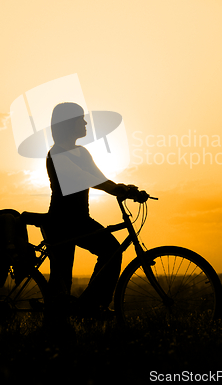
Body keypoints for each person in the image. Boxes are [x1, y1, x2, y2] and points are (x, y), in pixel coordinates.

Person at [44, 102, 142, 317]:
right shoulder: (58, 153)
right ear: (68, 123)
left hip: (77, 220)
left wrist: (124, 189)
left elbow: (100, 179)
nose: (85, 122)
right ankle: (88, 309)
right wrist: (116, 189)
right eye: (80, 118)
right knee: (64, 279)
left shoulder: (81, 152)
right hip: (64, 221)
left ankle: (86, 309)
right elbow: (85, 178)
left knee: (65, 278)